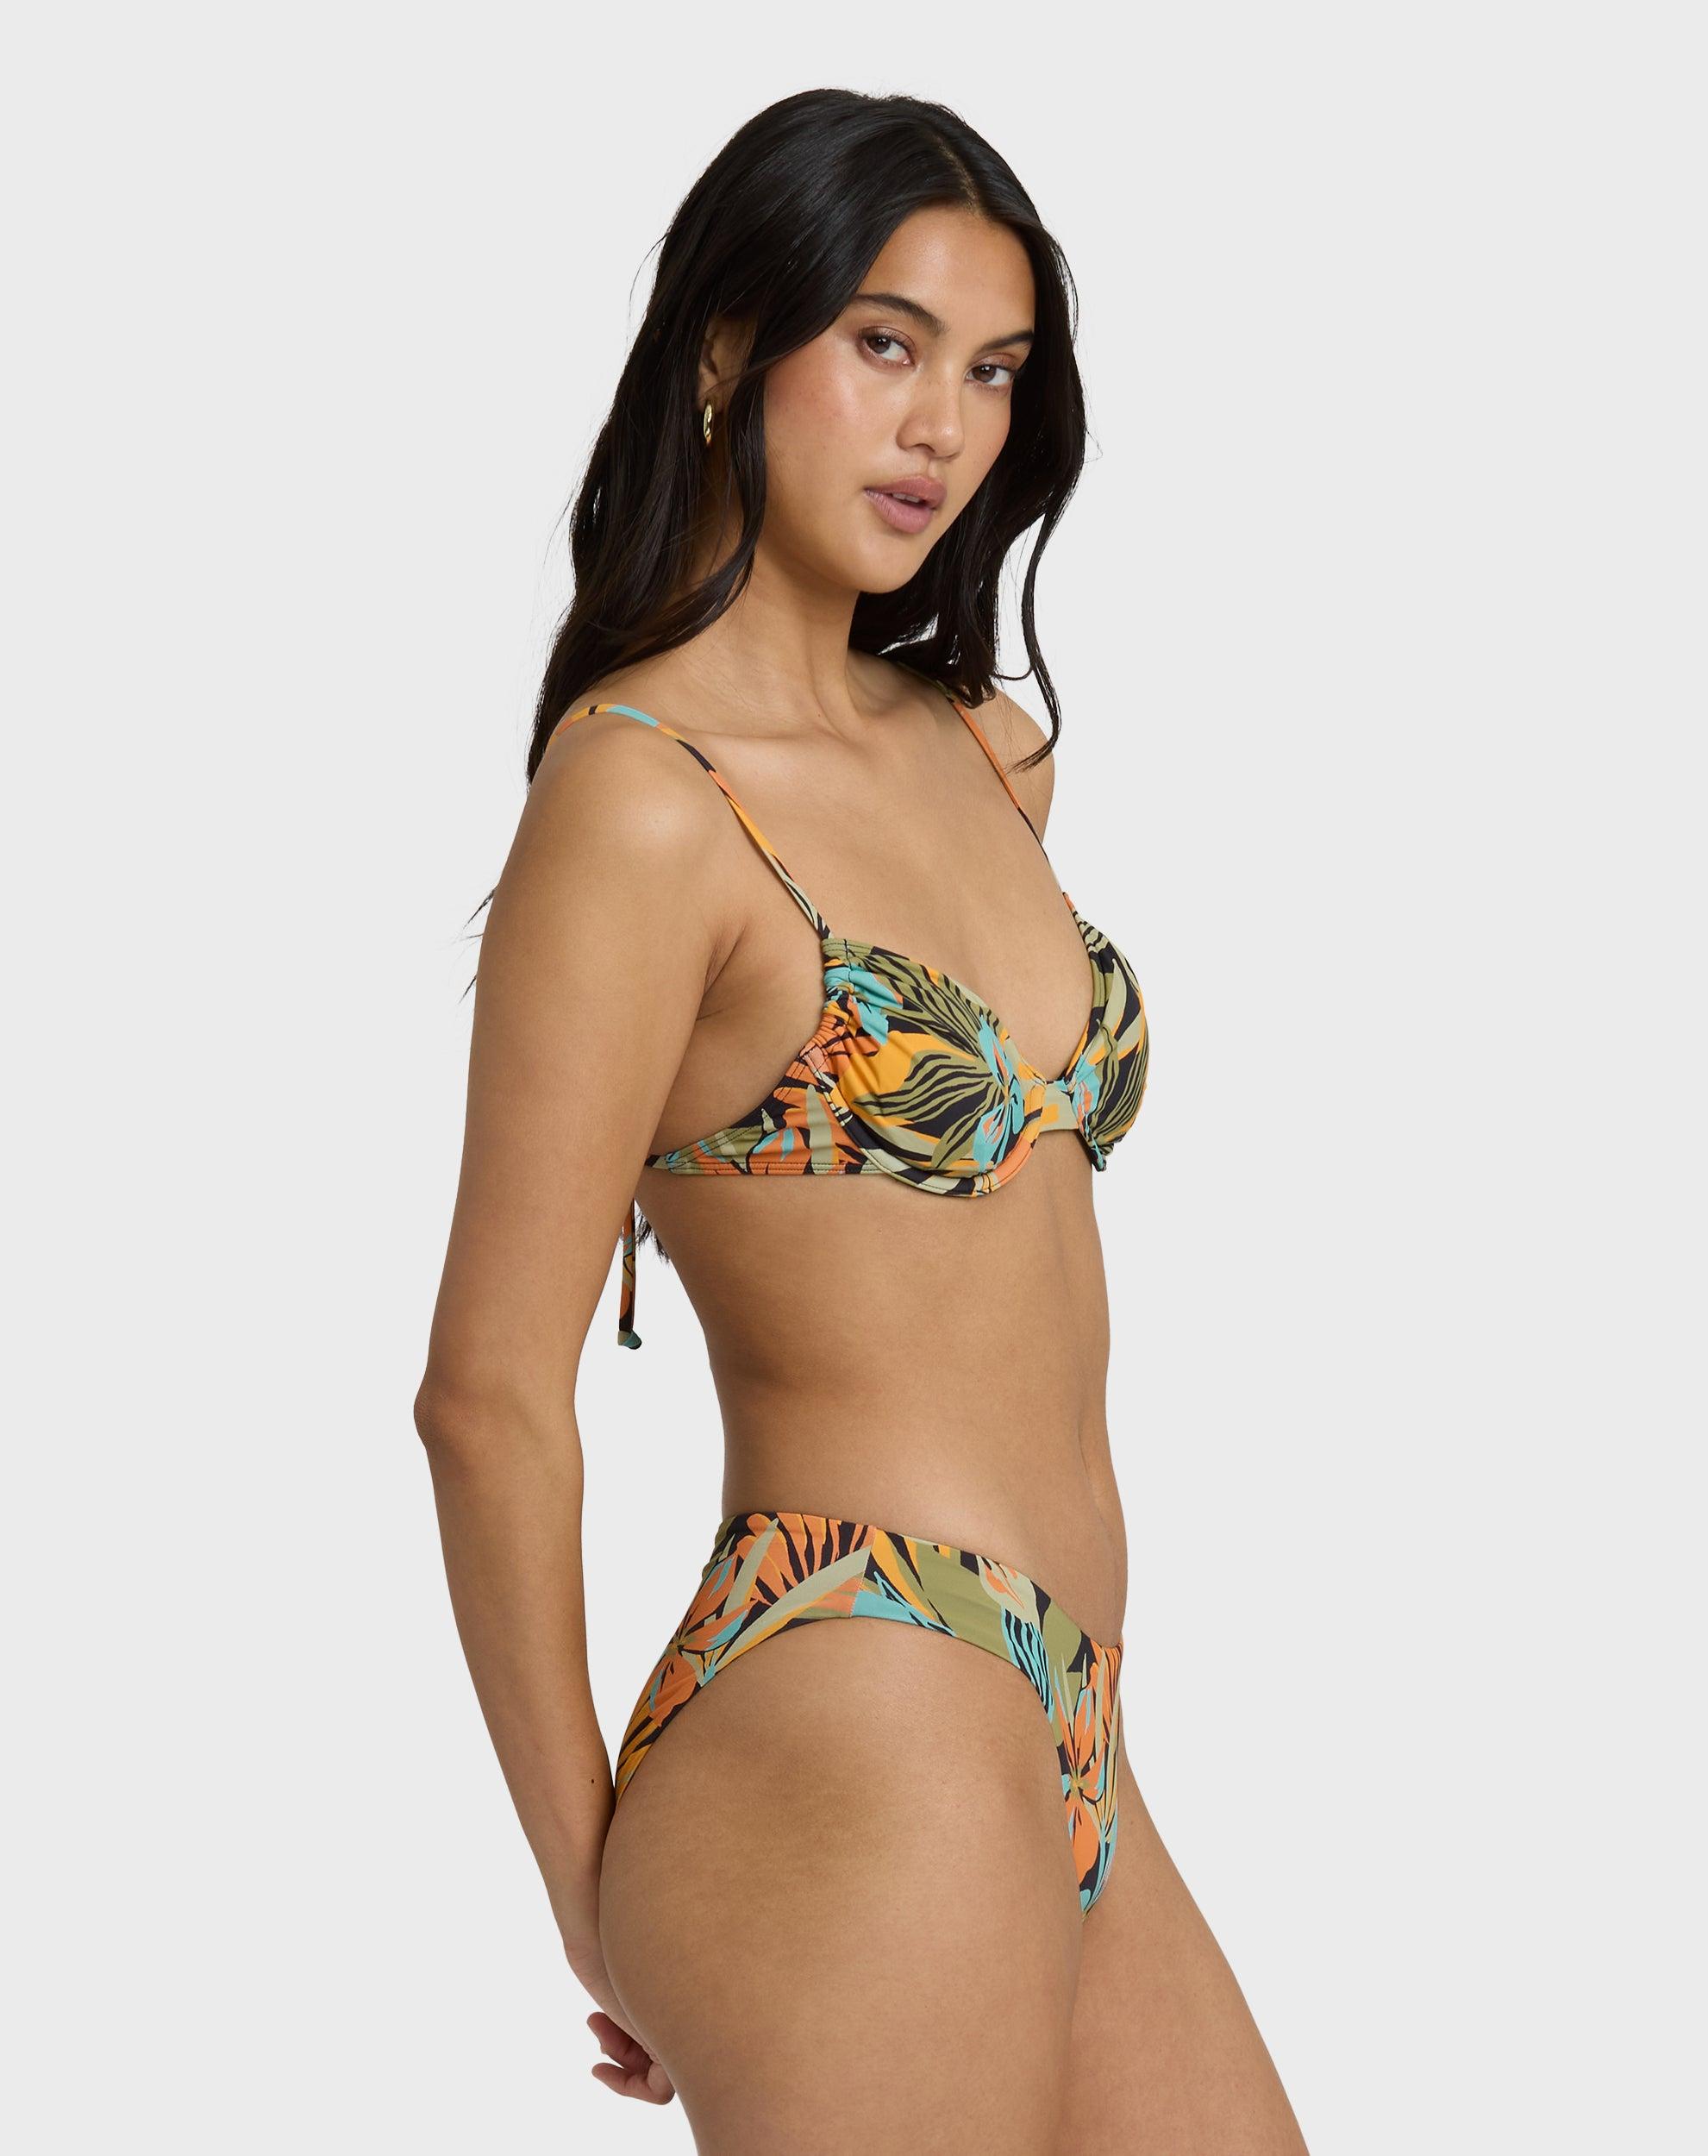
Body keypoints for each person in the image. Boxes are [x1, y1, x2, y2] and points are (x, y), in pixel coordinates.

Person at [414, 87, 1308, 2153]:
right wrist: (587, 1882)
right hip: (854, 1692)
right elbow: (486, 1396)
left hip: (1075, 1717)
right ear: (729, 349)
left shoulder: (978, 749)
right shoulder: (642, 803)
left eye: (991, 371)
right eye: (885, 344)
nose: (941, 428)